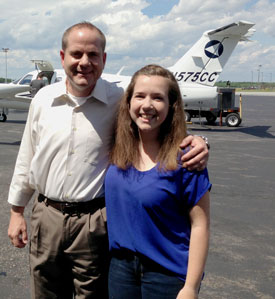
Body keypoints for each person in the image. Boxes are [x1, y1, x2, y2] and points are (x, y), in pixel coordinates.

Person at [7, 22, 209, 299]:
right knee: (45, 291)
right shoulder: (42, 100)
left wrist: (199, 141)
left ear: (104, 59)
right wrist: (17, 212)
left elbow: (156, 122)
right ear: (62, 56)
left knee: (93, 294)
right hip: (47, 214)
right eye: (76, 54)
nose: (84, 63)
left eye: (93, 55)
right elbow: (27, 157)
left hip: (95, 220)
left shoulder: (119, 101)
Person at [105, 64, 211, 299]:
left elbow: (200, 226)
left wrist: (191, 287)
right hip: (120, 270)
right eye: (140, 96)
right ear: (129, 102)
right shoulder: (116, 145)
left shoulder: (187, 158)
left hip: (166, 275)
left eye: (158, 98)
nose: (147, 105)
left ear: (172, 106)